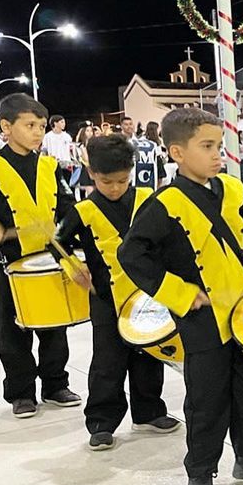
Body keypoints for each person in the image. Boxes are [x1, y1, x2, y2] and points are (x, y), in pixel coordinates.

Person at [118, 107, 243, 485]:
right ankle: (200, 471)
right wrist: (180, 293)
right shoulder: (163, 204)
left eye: (219, 146)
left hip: (242, 308)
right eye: (206, 147)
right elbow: (132, 254)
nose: (217, 155)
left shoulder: (228, 187)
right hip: (201, 317)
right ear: (176, 153)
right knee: (206, 399)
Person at [0, 93, 80, 418]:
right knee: (12, 332)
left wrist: (74, 243)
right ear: (6, 127)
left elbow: (67, 210)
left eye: (41, 125)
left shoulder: (49, 166)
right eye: (30, 125)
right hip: (8, 264)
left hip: (50, 261)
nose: (38, 132)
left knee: (55, 329)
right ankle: (21, 392)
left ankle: (54, 384)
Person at [52, 135, 177, 451]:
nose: (115, 187)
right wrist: (73, 268)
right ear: (91, 173)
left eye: (123, 180)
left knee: (149, 354)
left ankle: (149, 411)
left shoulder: (149, 198)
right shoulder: (83, 210)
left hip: (148, 296)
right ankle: (101, 422)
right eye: (107, 181)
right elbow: (56, 243)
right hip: (106, 299)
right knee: (108, 361)